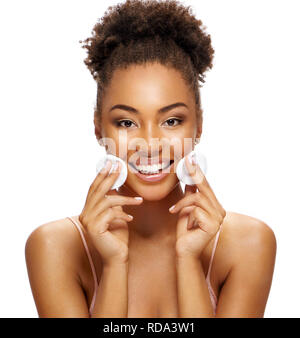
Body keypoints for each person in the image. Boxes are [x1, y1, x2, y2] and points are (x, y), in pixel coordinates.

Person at [25, 0, 276, 318]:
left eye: (171, 121)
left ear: (198, 125)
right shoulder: (54, 248)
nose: (150, 144)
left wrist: (187, 260)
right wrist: (115, 264)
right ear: (98, 128)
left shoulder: (249, 245)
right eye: (126, 123)